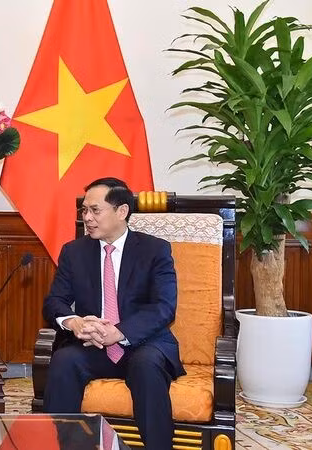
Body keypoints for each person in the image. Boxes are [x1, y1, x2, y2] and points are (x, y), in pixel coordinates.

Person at [42, 177, 184, 449]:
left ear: (122, 211)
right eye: (84, 210)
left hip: (143, 343)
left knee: (146, 367)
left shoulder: (155, 249)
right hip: (93, 345)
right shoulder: (74, 252)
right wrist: (74, 322)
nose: (87, 217)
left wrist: (120, 332)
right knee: (63, 361)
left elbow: (164, 307)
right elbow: (54, 302)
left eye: (95, 210)